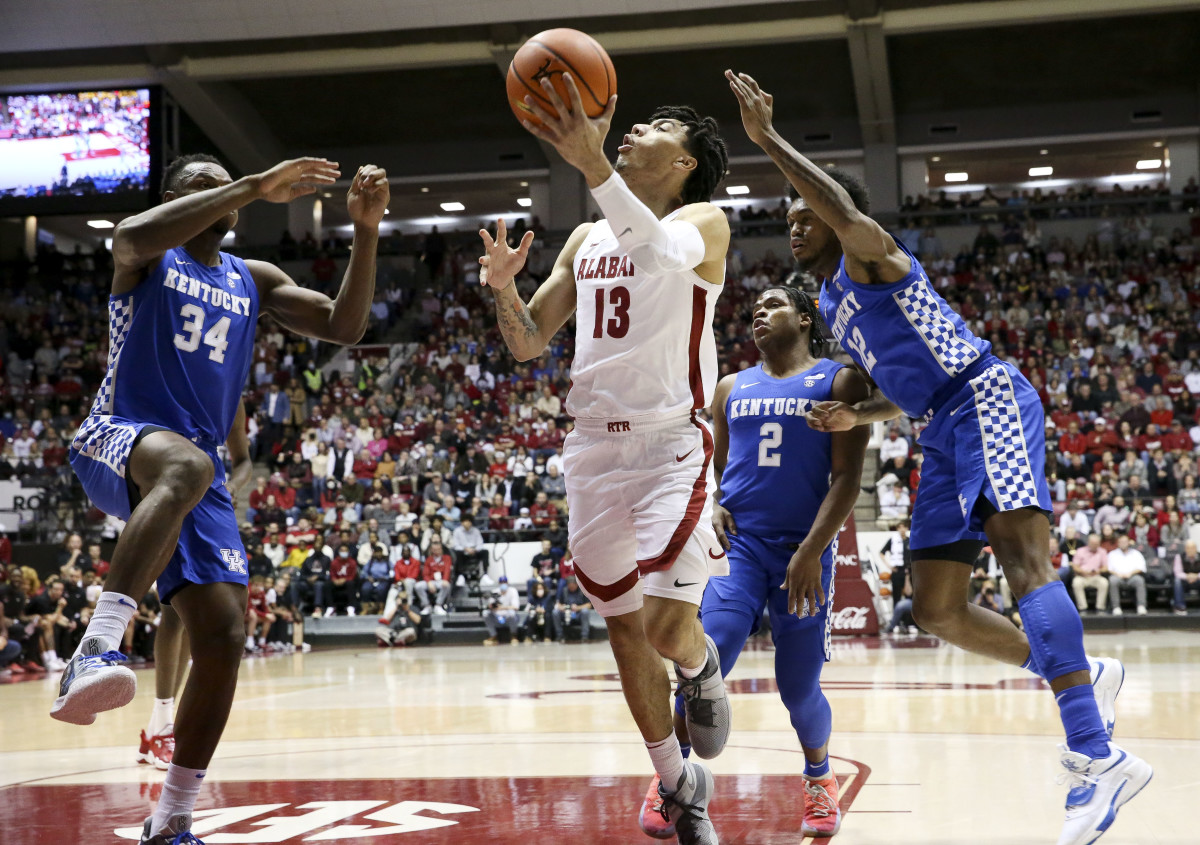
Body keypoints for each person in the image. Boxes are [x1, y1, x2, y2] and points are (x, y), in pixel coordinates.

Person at [725, 70, 1147, 844]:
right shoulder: (830, 307)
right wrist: (861, 409)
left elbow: (845, 210)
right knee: (937, 606)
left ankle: (1096, 754)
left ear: (830, 215)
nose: (794, 225)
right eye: (785, 219)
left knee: (1024, 562)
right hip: (937, 423)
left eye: (803, 214)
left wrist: (769, 141)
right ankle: (1084, 678)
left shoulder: (871, 256)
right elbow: (899, 384)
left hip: (984, 396)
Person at [56, 152, 388, 844]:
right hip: (115, 433)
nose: (220, 194)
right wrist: (254, 185)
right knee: (184, 466)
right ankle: (94, 648)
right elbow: (128, 237)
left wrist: (364, 231)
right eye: (202, 184)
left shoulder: (251, 279)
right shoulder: (148, 254)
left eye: (225, 184)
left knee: (225, 634)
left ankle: (172, 816)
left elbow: (345, 325)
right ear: (175, 198)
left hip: (194, 469)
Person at [485, 72, 731, 843]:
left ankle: (701, 662)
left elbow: (658, 256)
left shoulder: (706, 221)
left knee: (663, 629)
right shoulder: (586, 237)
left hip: (669, 445)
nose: (635, 131)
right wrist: (501, 288)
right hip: (591, 449)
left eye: (658, 125)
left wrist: (593, 166)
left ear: (686, 161)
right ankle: (679, 784)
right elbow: (526, 341)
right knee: (624, 631)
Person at [639, 285, 870, 839]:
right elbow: (712, 461)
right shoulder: (729, 386)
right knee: (701, 662)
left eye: (773, 305)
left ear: (806, 316)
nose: (759, 314)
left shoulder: (840, 381)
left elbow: (848, 479)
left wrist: (813, 550)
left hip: (804, 550)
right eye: (755, 309)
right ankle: (671, 780)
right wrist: (713, 505)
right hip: (738, 547)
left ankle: (820, 778)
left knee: (798, 687)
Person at [1106, 535, 1147, 616]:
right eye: (1121, 542)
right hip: (1117, 576)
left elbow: (1141, 568)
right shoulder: (1112, 554)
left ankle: (1141, 606)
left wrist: (1130, 574)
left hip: (1132, 576)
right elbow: (1109, 568)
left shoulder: (1136, 553)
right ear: (1118, 543)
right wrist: (1118, 574)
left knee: (1139, 580)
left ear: (1129, 542)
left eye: (1125, 542)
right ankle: (1116, 607)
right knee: (1112, 580)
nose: (1123, 544)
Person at [1071, 534, 1110, 613]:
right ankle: (1082, 608)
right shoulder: (1080, 551)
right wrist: (1084, 572)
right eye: (1093, 543)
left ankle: (1100, 608)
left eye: (1096, 544)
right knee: (1076, 582)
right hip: (1082, 576)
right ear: (1088, 542)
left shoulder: (1102, 551)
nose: (1094, 546)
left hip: (1096, 576)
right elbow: (1075, 567)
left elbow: (1106, 567)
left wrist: (1098, 571)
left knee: (1104, 582)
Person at [483, 575, 521, 645]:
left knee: (512, 613)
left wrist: (501, 607)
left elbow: (515, 607)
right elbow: (491, 606)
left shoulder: (512, 591)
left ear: (507, 583)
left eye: (505, 582)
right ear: (499, 583)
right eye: (501, 582)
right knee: (485, 613)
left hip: (508, 616)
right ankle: (493, 636)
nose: (503, 584)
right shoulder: (495, 592)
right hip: (497, 616)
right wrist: (493, 606)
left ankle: (513, 636)